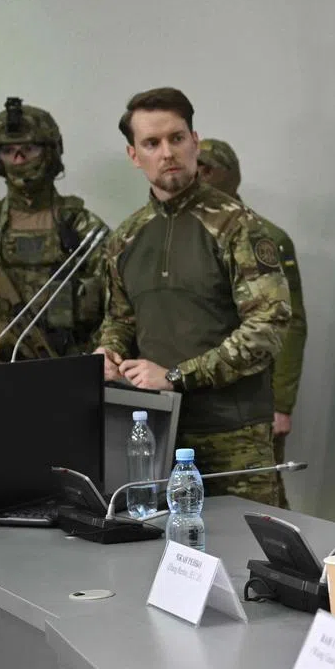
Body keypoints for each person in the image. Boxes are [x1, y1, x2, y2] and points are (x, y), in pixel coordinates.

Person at [94, 87, 291, 508]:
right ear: (134, 155)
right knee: (158, 558)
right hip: (154, 433)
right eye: (152, 143)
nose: (167, 152)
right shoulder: (124, 237)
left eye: (176, 138)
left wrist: (177, 375)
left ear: (195, 141)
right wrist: (108, 351)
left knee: (247, 563)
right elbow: (121, 318)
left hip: (233, 435)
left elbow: (267, 329)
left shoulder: (239, 227)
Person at [197, 138, 308, 507]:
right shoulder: (177, 236)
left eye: (207, 168)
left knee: (264, 504)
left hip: (252, 396)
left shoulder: (265, 236)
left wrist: (282, 403)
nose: (197, 176)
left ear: (229, 176)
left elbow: (290, 325)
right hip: (193, 396)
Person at [0, 97, 108, 360]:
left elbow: (117, 311)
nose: (18, 159)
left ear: (50, 152)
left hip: (66, 366)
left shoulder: (83, 227)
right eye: (8, 151)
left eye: (29, 149)